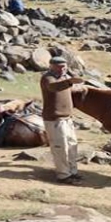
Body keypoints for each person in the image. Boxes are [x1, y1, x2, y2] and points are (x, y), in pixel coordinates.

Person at [40, 57, 84, 185]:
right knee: (60, 147)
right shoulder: (48, 78)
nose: (62, 69)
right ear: (51, 66)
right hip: (54, 118)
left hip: (67, 118)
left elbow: (68, 89)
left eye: (64, 66)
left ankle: (73, 172)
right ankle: (63, 175)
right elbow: (53, 87)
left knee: (72, 145)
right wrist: (70, 81)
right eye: (59, 66)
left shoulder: (65, 77)